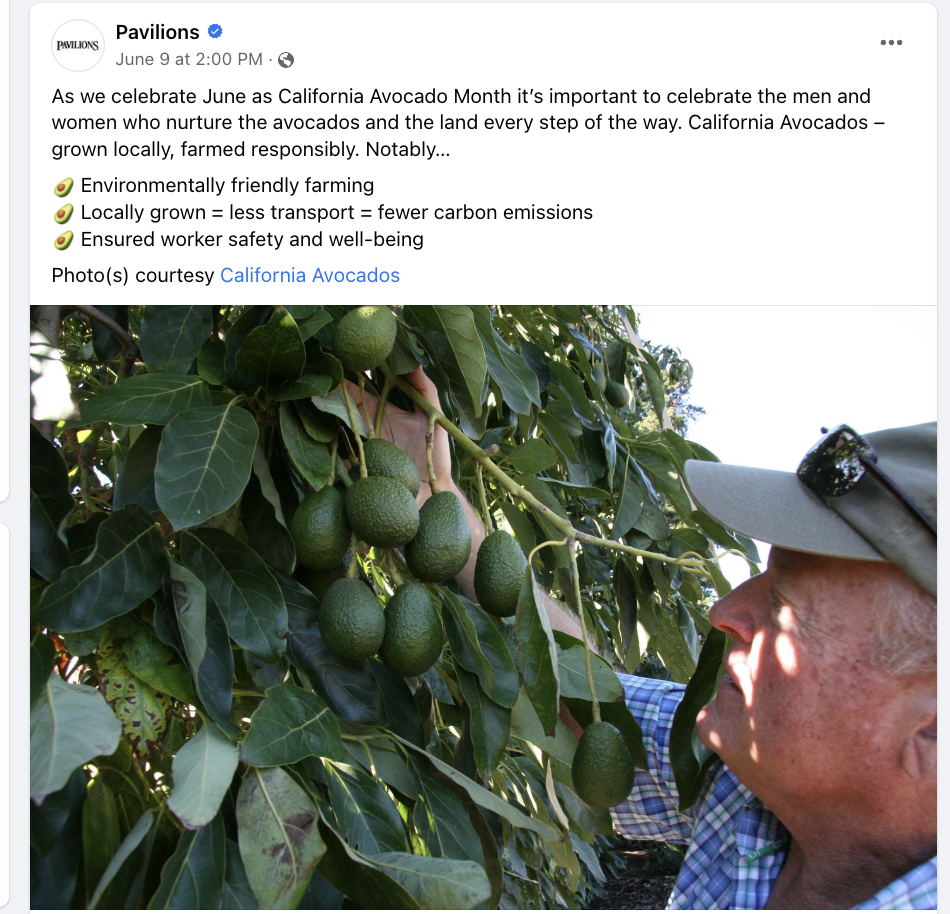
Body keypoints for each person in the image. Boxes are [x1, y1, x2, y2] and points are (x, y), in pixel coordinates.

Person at [351, 370, 937, 910]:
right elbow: (596, 709)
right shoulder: (747, 796)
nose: (723, 610)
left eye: (785, 606)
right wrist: (439, 499)